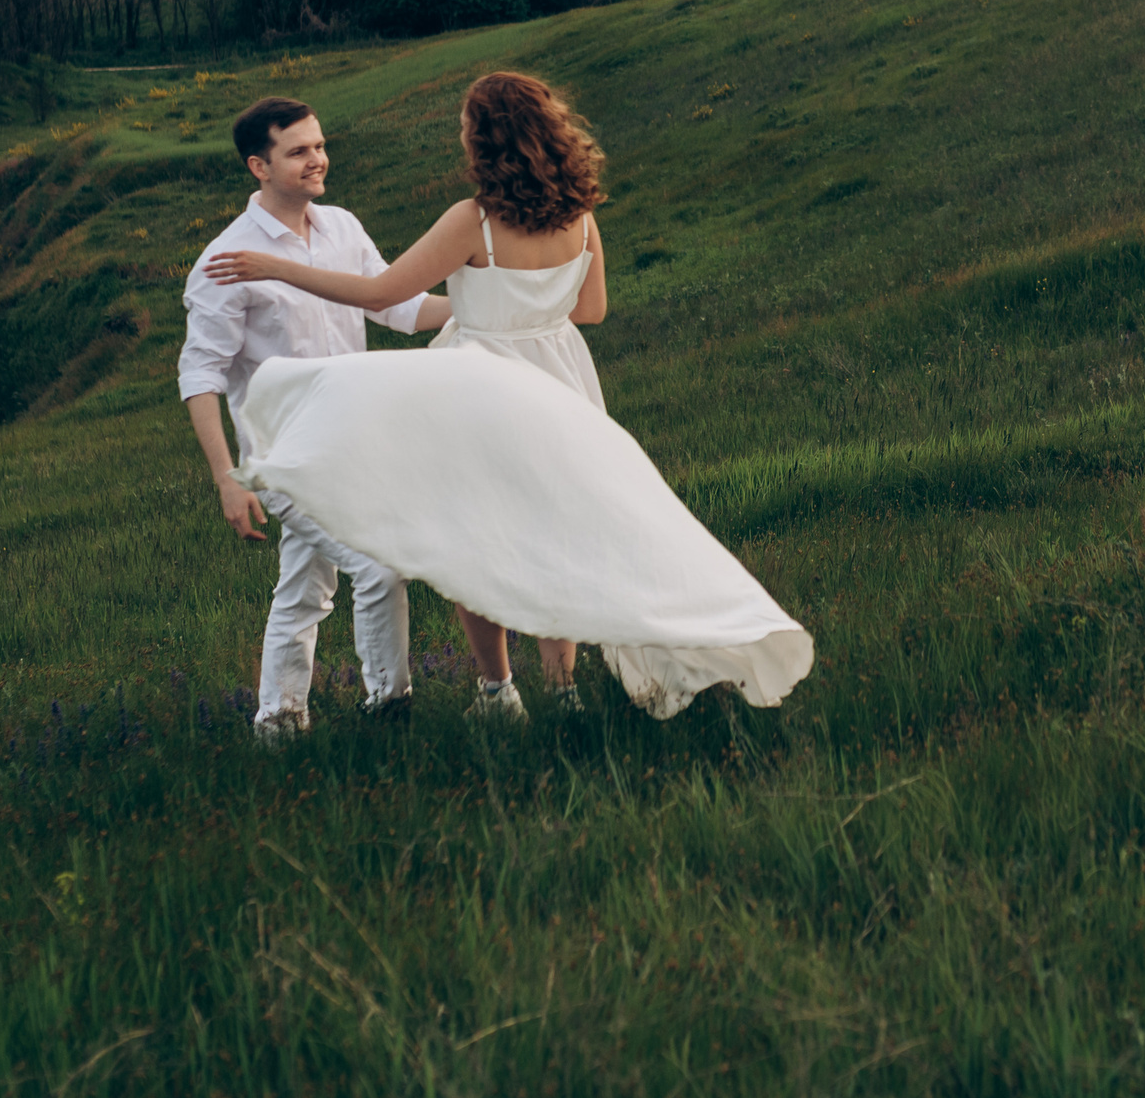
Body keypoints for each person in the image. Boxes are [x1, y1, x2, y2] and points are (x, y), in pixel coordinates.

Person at [206, 71, 811, 720]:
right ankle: (563, 686)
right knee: (557, 534)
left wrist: (277, 267)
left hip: (482, 386)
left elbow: (380, 294)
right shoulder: (580, 217)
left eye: (466, 126)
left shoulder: (475, 221)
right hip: (560, 382)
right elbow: (593, 309)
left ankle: (498, 692)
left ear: (485, 140)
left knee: (477, 537)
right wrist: (522, 311)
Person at [177, 96, 448, 739]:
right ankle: (390, 708)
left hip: (355, 445)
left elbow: (399, 309)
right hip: (283, 456)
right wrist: (227, 477)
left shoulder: (342, 228)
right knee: (379, 565)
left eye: (319, 145)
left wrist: (492, 306)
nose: (317, 159)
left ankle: (278, 722)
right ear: (258, 166)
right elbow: (200, 375)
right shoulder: (228, 259)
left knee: (302, 590)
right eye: (298, 151)